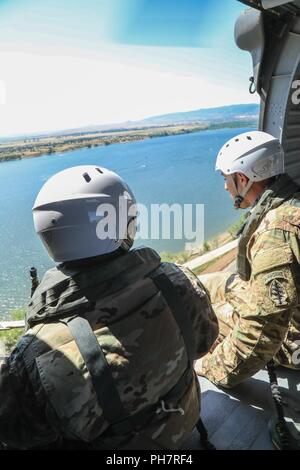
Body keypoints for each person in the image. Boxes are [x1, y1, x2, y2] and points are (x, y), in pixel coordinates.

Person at [0, 165, 218, 450]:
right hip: (182, 424)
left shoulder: (33, 356)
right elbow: (205, 340)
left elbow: (15, 434)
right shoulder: (176, 281)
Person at [195, 130, 300, 389]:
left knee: (211, 317)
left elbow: (261, 332)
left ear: (243, 179)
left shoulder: (276, 234)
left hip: (293, 341)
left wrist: (207, 367)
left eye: (226, 178)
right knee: (206, 284)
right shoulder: (290, 203)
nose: (225, 186)